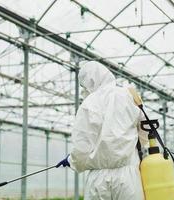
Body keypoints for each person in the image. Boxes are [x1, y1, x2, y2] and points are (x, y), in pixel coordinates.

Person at [57, 61, 147, 200]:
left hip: (98, 179)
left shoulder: (89, 103)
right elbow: (145, 132)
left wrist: (72, 160)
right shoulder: (129, 95)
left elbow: (82, 146)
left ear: (88, 81)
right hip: (128, 176)